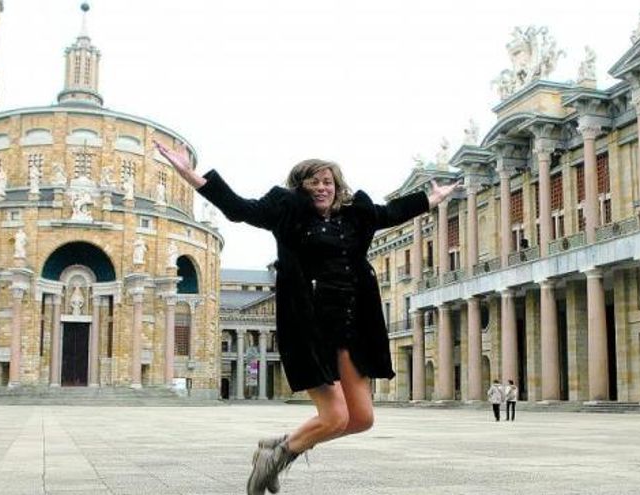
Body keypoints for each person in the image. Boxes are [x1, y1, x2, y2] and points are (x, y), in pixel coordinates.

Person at [154, 140, 458, 495]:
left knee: (361, 419)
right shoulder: (287, 214)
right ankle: (279, 455)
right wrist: (192, 177)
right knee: (335, 417)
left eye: (327, 181)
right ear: (301, 187)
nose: (321, 187)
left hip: (353, 325)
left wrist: (430, 200)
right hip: (311, 325)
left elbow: (390, 213)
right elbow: (239, 208)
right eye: (313, 182)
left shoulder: (355, 216)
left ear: (337, 185)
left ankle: (280, 447)